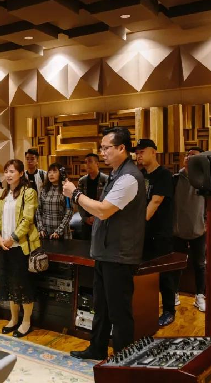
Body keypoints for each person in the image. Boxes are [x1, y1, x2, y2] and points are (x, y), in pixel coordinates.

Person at [63, 126, 146, 360]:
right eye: (101, 148)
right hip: (105, 252)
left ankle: (123, 359)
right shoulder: (116, 174)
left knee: (119, 312)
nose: (102, 152)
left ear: (122, 148)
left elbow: (103, 210)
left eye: (106, 148)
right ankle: (97, 348)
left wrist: (75, 194)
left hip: (119, 254)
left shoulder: (129, 177)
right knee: (101, 308)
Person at [0, 159, 40, 338]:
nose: (8, 174)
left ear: (21, 173)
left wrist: (12, 238)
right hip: (4, 246)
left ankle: (26, 321)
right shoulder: (3, 193)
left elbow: (27, 220)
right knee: (10, 285)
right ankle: (13, 319)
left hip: (21, 246)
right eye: (6, 171)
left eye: (12, 171)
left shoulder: (29, 192)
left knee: (23, 286)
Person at [134, 138, 177, 327]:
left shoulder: (164, 175)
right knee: (144, 274)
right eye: (137, 152)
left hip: (161, 234)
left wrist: (136, 224)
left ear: (154, 152)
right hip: (143, 234)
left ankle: (169, 310)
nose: (139, 155)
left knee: (164, 274)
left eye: (142, 151)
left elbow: (155, 202)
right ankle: (146, 308)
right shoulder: (140, 175)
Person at [173, 147, 206, 312]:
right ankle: (174, 294)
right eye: (187, 154)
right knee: (176, 265)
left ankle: (200, 296)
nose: (188, 157)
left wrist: (206, 222)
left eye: (193, 155)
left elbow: (209, 206)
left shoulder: (205, 181)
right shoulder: (174, 179)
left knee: (200, 265)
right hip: (177, 231)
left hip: (198, 230)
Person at [36, 163, 73, 240]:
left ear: (61, 174)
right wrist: (40, 228)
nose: (51, 174)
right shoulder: (44, 190)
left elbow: (69, 211)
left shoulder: (66, 189)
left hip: (62, 233)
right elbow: (38, 210)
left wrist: (58, 231)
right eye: (49, 172)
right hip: (45, 233)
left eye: (54, 172)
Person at [77, 153, 108, 240]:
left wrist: (96, 217)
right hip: (86, 221)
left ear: (97, 164)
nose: (87, 164)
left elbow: (107, 201)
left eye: (90, 161)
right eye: (85, 162)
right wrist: (85, 218)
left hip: (102, 220)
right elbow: (78, 201)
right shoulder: (82, 181)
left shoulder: (106, 180)